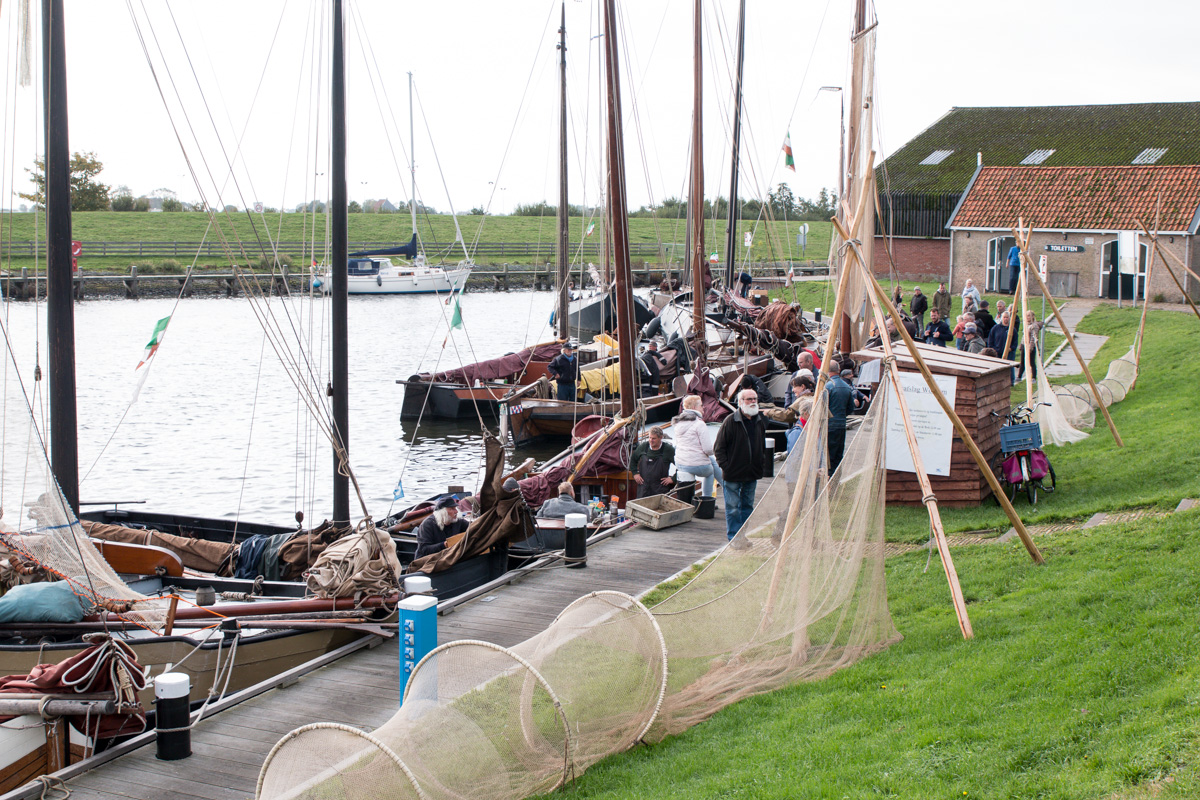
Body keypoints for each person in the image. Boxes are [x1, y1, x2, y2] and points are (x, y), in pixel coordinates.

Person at [714, 388, 767, 541]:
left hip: (752, 472)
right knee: (732, 508)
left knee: (747, 506)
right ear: (740, 402)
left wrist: (761, 462)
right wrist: (726, 466)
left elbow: (762, 445)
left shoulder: (759, 420)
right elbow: (719, 448)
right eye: (749, 399)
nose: (753, 402)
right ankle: (734, 538)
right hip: (733, 473)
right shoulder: (731, 421)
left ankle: (743, 535)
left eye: (755, 399)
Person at [672, 396, 723, 497]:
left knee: (711, 460)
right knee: (710, 471)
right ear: (694, 408)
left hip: (680, 463)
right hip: (694, 465)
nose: (703, 407)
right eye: (701, 405)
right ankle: (707, 497)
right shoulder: (699, 424)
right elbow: (708, 449)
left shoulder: (678, 423)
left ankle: (724, 484)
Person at [826, 368, 861, 473]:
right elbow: (851, 407)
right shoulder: (847, 387)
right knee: (838, 453)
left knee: (829, 455)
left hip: (829, 424)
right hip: (841, 423)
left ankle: (829, 476)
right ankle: (836, 476)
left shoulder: (828, 386)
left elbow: (822, 406)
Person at [630, 426, 675, 498]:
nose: (651, 440)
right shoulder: (644, 446)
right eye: (649, 438)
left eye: (654, 438)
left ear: (661, 437)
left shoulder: (668, 449)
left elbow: (681, 466)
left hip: (660, 490)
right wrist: (635, 473)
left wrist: (673, 479)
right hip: (643, 489)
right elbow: (633, 460)